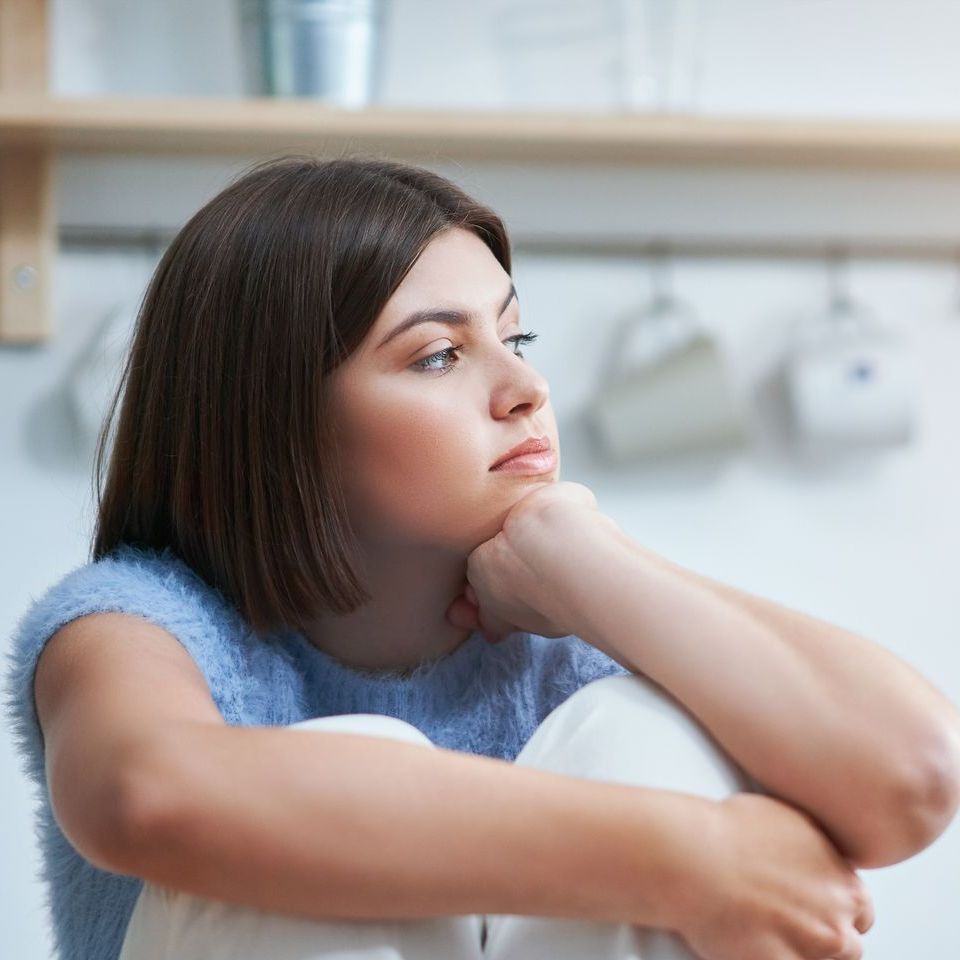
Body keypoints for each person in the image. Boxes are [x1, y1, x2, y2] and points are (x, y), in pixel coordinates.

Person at [5, 155, 960, 960]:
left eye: (514, 337)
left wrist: (591, 562)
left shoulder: (563, 650)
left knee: (642, 729)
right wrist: (695, 854)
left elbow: (915, 778)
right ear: (274, 419)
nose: (526, 388)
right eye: (437, 357)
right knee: (346, 770)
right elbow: (147, 792)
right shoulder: (138, 623)